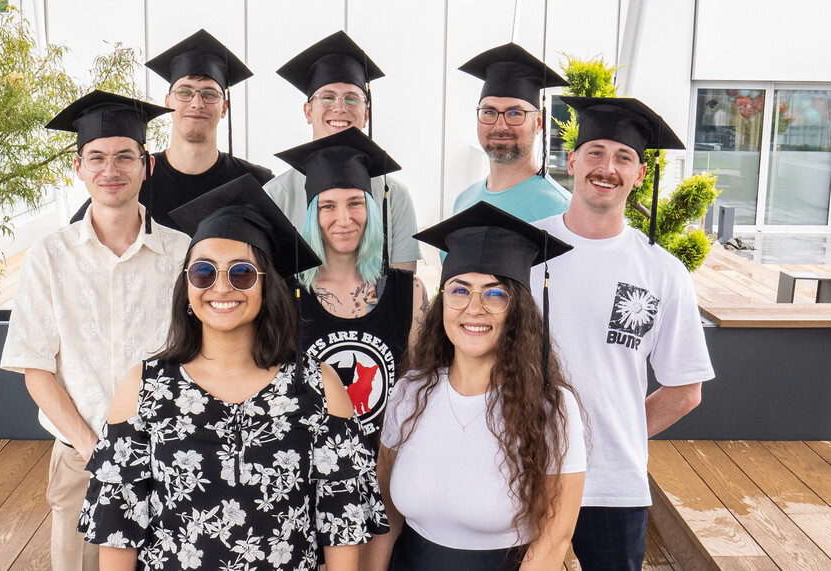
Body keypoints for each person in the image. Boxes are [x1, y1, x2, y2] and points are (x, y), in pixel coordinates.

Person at [78, 175, 388, 571]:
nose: (221, 287)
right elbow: (117, 531)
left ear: (267, 286)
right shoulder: (144, 387)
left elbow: (341, 528)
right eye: (203, 272)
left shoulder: (318, 387)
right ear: (187, 286)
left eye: (241, 273)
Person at [0, 91, 190, 570]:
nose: (111, 169)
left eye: (125, 156)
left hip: (172, 457)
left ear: (146, 166)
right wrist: (94, 449)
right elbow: (36, 369)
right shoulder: (48, 256)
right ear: (78, 168)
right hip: (81, 460)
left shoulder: (184, 254)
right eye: (97, 157)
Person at [531, 97, 715, 570]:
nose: (607, 168)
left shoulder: (662, 272)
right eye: (595, 152)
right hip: (523, 472)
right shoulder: (522, 249)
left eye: (623, 157)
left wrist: (615, 435)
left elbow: (685, 390)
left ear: (639, 174)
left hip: (614, 484)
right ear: (572, 160)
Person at [362, 201, 587, 570]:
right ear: (442, 302)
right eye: (459, 290)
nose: (474, 308)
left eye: (495, 294)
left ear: (518, 311)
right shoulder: (411, 393)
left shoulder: (550, 408)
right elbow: (385, 516)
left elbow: (554, 537)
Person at [274, 128, 427, 452]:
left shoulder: (408, 291)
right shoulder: (285, 295)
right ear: (312, 215)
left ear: (370, 209)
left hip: (389, 462)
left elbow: (421, 388)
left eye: (355, 203)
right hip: (310, 464)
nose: (343, 219)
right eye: (328, 206)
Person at [71, 29, 274, 231]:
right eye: (184, 92)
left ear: (224, 108)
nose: (197, 103)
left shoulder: (256, 184)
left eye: (209, 94)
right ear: (168, 102)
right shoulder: (132, 179)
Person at [266, 31, 420, 271]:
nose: (339, 108)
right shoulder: (276, 196)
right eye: (327, 98)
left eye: (352, 99)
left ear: (366, 114)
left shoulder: (394, 196)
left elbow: (403, 282)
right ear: (308, 111)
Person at [453, 43, 571, 222]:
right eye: (489, 112)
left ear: (539, 122)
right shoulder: (464, 201)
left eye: (515, 114)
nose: (500, 126)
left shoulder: (561, 211)